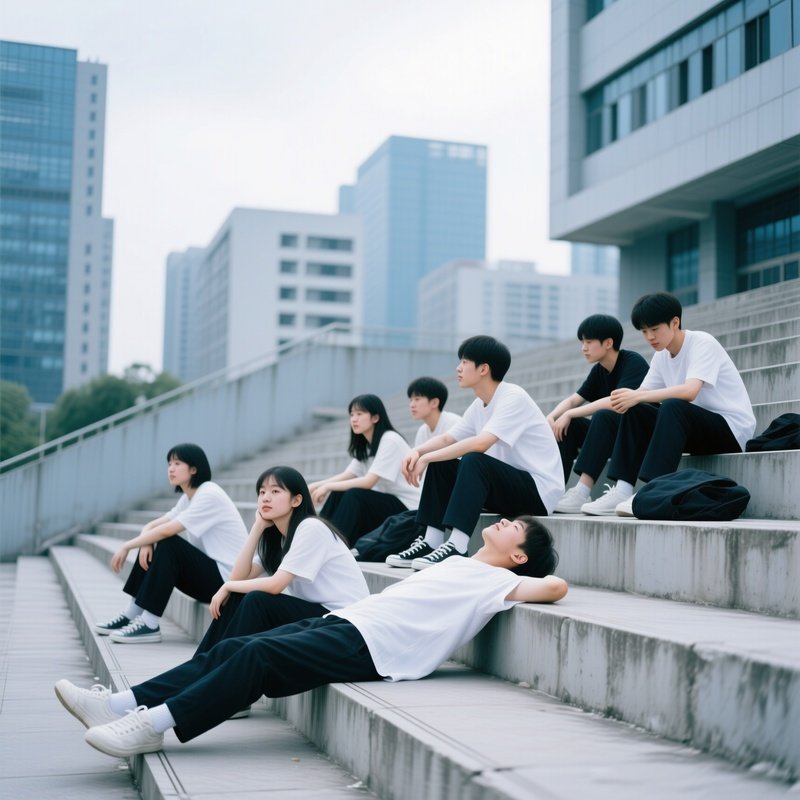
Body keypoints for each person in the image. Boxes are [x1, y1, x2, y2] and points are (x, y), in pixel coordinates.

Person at [54, 516, 567, 758]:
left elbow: (556, 586)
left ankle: (154, 724)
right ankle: (120, 705)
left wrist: (530, 575)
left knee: (257, 656)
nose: (502, 521)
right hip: (350, 622)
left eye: (513, 526)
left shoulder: (497, 582)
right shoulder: (460, 563)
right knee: (234, 647)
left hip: (374, 646)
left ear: (518, 555)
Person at [386, 335, 564, 570]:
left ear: (483, 369)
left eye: (464, 362)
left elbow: (481, 444)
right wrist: (418, 451)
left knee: (473, 459)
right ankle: (431, 541)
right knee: (443, 461)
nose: (458, 368)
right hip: (507, 488)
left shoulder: (513, 397)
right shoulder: (480, 404)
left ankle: (458, 546)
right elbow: (448, 438)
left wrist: (426, 457)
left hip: (538, 492)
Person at [579, 292, 756, 517]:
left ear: (674, 322)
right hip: (695, 430)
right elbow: (640, 394)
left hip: (730, 430)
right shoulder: (661, 356)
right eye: (644, 331)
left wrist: (638, 396)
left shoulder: (702, 342)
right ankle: (622, 490)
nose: (650, 337)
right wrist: (577, 411)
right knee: (636, 409)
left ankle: (652, 491)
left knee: (672, 405)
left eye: (654, 329)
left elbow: (690, 391)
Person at [195, 465, 369, 655]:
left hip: (344, 622)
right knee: (239, 594)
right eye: (262, 492)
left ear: (296, 500)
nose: (265, 498)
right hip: (321, 615)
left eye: (275, 491)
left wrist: (228, 586)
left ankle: (214, 661)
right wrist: (257, 527)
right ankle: (205, 660)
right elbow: (238, 578)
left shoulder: (311, 528)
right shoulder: (280, 539)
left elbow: (275, 585)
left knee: (256, 600)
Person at [94, 443, 247, 643]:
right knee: (155, 540)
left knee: (168, 544)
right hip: (212, 579)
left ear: (193, 469)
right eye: (169, 464)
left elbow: (166, 531)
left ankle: (150, 624)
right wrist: (145, 542)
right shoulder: (188, 498)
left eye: (177, 463)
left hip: (227, 584)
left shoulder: (209, 494)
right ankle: (131, 614)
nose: (171, 469)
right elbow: (154, 526)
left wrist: (127, 546)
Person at [546, 314, 649, 513]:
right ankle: (554, 491)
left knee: (601, 415)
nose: (583, 348)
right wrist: (553, 416)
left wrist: (570, 413)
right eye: (582, 342)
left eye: (589, 342)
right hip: (611, 437)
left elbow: (614, 401)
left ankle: (582, 492)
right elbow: (574, 400)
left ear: (608, 343)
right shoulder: (599, 370)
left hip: (636, 437)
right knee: (569, 425)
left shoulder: (632, 362)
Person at [354, 376, 460, 562]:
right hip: (433, 500)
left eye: (417, 399)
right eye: (410, 399)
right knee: (399, 520)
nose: (412, 404)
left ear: (434, 402)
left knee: (405, 520)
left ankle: (363, 549)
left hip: (454, 495)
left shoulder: (453, 422)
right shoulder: (423, 432)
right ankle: (362, 548)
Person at [308, 394, 420, 544]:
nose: (354, 419)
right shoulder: (367, 445)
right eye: (352, 415)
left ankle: (333, 545)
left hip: (409, 509)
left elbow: (368, 482)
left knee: (354, 495)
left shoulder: (390, 439)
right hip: (389, 504)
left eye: (359, 414)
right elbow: (348, 475)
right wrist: (316, 485)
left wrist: (327, 487)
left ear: (375, 418)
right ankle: (318, 540)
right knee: (339, 491)